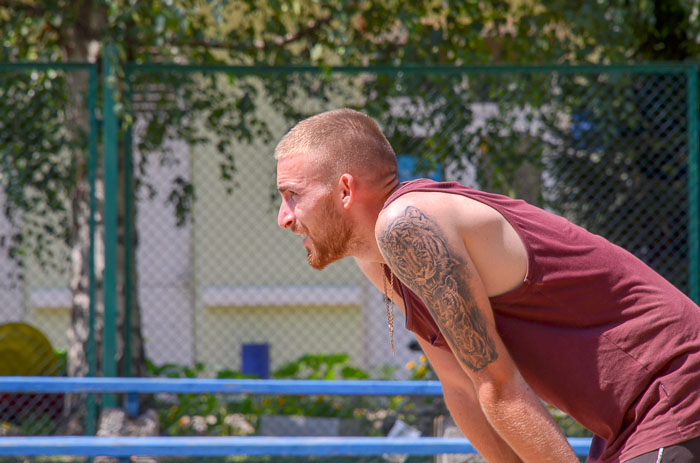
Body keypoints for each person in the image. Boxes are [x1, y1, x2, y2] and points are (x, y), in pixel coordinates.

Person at [274, 108, 700, 463]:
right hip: (629, 419)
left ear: (345, 189)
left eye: (293, 194)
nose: (285, 217)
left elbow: (497, 384)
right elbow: (461, 387)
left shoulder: (406, 224)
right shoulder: (378, 260)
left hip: (675, 387)